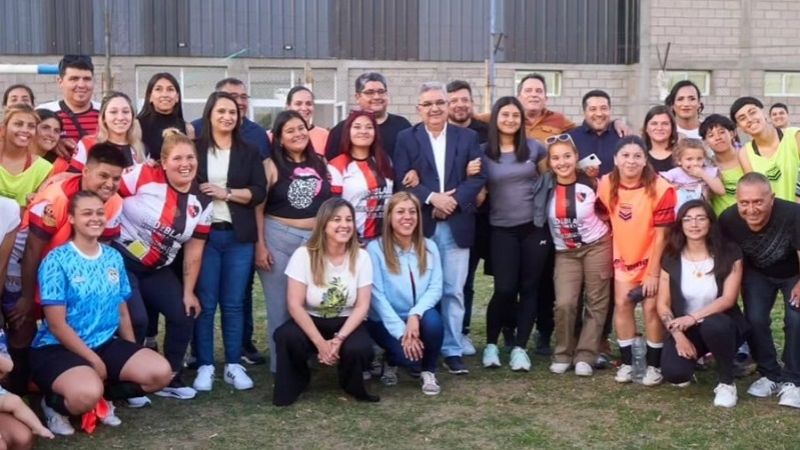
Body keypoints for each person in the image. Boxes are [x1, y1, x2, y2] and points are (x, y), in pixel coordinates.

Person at [31, 191, 172, 436]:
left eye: (99, 212)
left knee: (160, 374)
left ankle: (102, 397)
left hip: (104, 343)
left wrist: (131, 351)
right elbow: (56, 325)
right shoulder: (56, 260)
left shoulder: (112, 257)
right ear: (72, 219)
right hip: (58, 347)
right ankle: (54, 405)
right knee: (85, 393)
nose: (95, 218)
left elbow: (123, 312)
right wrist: (94, 360)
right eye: (87, 213)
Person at [6, 146, 131, 399]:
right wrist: (28, 297)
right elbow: (32, 249)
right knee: (23, 324)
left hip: (71, 269)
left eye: (116, 178)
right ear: (85, 171)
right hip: (27, 263)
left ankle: (77, 381)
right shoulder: (58, 196)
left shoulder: (115, 203)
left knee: (77, 321)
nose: (109, 184)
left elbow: (100, 254)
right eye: (103, 176)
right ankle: (17, 389)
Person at [393, 82, 486, 374]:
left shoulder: (468, 137)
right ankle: (420, 345)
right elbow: (401, 179)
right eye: (428, 104)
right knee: (419, 291)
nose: (434, 108)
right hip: (422, 225)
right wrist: (433, 198)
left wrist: (452, 201)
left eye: (439, 103)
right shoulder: (406, 138)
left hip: (457, 223)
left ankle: (452, 348)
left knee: (453, 290)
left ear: (447, 106)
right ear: (418, 109)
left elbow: (478, 178)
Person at [115, 129, 212, 400]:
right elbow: (105, 190)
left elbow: (194, 248)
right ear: (163, 161)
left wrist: (188, 290)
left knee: (184, 312)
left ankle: (171, 375)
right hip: (122, 261)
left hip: (157, 269)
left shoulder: (202, 200)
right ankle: (131, 381)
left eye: (190, 157)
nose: (185, 164)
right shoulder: (141, 175)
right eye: (178, 158)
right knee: (137, 319)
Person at [191, 77, 271, 367]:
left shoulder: (248, 150)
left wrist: (226, 194)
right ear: (209, 115)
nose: (227, 116)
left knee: (235, 304)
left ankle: (234, 364)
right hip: (205, 238)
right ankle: (205, 364)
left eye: (232, 112)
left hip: (239, 238)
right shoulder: (195, 148)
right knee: (207, 303)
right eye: (221, 111)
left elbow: (259, 192)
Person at [272, 198, 376, 406]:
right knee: (286, 336)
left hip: (346, 320)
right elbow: (294, 304)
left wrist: (338, 340)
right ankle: (296, 382)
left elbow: (362, 305)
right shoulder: (304, 255)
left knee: (361, 347)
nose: (344, 225)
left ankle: (350, 384)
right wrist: (320, 343)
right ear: (324, 224)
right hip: (312, 318)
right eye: (336, 219)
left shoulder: (362, 257)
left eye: (348, 219)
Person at [597, 136, 676, 385]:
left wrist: (653, 273)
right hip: (624, 258)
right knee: (622, 305)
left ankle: (654, 366)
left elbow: (663, 235)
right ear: (616, 160)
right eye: (626, 155)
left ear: (645, 160)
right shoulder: (606, 184)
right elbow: (604, 215)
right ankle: (629, 363)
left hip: (653, 258)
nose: (631, 160)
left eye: (637, 156)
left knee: (652, 308)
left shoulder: (661, 188)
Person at [257, 110, 331, 374]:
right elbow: (258, 207)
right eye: (290, 130)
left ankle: (308, 359)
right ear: (278, 138)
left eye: (301, 128)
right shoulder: (271, 165)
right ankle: (283, 369)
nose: (298, 134)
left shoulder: (321, 162)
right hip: (279, 237)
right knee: (281, 307)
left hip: (315, 242)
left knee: (313, 302)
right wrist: (260, 245)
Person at [718, 173, 800, 408]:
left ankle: (794, 380)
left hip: (794, 272)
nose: (751, 209)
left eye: (758, 202)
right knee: (754, 318)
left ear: (771, 198)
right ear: (737, 200)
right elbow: (727, 259)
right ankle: (770, 373)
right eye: (744, 202)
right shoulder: (728, 220)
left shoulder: (793, 214)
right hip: (757, 274)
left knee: (796, 317)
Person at [479, 96, 549, 372]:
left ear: (522, 120)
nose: (510, 120)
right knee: (504, 289)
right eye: (505, 115)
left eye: (515, 116)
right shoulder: (483, 152)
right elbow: (479, 188)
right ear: (496, 118)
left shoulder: (535, 149)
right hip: (501, 229)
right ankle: (491, 345)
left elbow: (550, 181)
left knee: (530, 288)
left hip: (533, 227)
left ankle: (520, 348)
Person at [657, 200, 746, 407]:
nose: (694, 224)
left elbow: (728, 299)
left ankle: (726, 382)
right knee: (675, 373)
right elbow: (662, 304)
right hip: (685, 328)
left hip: (722, 323)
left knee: (714, 325)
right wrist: (678, 335)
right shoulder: (671, 256)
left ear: (710, 223)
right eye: (687, 219)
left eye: (700, 218)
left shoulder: (729, 252)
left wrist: (693, 318)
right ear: (680, 225)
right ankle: (696, 357)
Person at [543, 134, 612, 377]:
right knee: (565, 303)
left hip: (597, 246)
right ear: (549, 162)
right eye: (556, 158)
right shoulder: (545, 186)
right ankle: (563, 352)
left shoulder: (591, 183)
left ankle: (586, 354)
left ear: (576, 158)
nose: (562, 162)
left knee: (596, 302)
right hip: (565, 252)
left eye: (567, 156)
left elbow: (607, 209)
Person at [366, 192, 443, 394]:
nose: (407, 217)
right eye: (400, 212)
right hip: (385, 320)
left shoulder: (430, 247)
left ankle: (429, 371)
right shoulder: (375, 249)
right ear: (389, 217)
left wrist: (415, 314)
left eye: (412, 212)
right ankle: (391, 358)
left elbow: (436, 288)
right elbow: (377, 297)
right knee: (406, 357)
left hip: (417, 316)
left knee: (434, 322)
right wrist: (403, 333)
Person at [447, 79, 489, 355]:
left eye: (465, 99)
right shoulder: (437, 131)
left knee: (467, 279)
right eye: (454, 101)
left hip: (482, 215)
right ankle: (442, 331)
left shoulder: (485, 131)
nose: (460, 105)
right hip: (445, 212)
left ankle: (461, 332)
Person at [328, 111, 394, 242]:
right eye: (357, 127)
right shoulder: (337, 165)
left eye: (369, 127)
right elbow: (333, 208)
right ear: (348, 132)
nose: (363, 131)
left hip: (385, 239)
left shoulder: (385, 161)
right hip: (354, 240)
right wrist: (352, 238)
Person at [325, 72, 412, 161]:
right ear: (357, 97)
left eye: (381, 92)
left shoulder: (402, 125)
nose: (377, 97)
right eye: (370, 92)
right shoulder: (342, 130)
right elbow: (332, 165)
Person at [54, 91, 145, 174]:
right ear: (103, 117)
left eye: (126, 111)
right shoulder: (88, 144)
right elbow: (73, 177)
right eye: (113, 112)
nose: (120, 117)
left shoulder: (139, 147)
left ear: (132, 116)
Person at [732, 96, 800, 202]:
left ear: (764, 113)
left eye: (752, 112)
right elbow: (755, 190)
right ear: (740, 127)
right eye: (742, 118)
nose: (749, 119)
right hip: (774, 216)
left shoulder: (795, 135)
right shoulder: (745, 153)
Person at [37, 55, 100, 159]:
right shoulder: (43, 112)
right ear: (60, 82)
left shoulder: (108, 113)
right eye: (74, 79)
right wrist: (50, 142)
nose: (81, 85)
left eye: (87, 79)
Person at [0, 104, 52, 207]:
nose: (25, 130)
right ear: (3, 128)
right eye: (18, 124)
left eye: (31, 126)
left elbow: (36, 213)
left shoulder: (43, 168)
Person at [137, 72, 194, 160]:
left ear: (177, 97)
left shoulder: (187, 129)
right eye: (158, 89)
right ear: (150, 97)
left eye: (170, 89)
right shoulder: (137, 125)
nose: (165, 95)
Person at [659, 138, 725, 210]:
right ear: (679, 160)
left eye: (699, 159)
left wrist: (703, 175)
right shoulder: (676, 173)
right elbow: (659, 187)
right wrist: (672, 187)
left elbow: (721, 191)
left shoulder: (708, 171)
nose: (695, 163)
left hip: (703, 211)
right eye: (689, 159)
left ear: (704, 159)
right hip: (680, 212)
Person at [568, 90, 621, 177]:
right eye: (593, 109)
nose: (599, 114)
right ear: (584, 112)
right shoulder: (571, 139)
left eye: (604, 108)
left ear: (610, 110)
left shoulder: (622, 136)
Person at [701, 114, 743, 217]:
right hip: (722, 226)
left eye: (722, 132)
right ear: (705, 142)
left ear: (732, 134)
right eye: (711, 135)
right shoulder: (707, 167)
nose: (718, 138)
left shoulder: (747, 157)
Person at [285, 86, 328, 155]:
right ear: (288, 106)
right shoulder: (273, 136)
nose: (304, 108)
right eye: (298, 104)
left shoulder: (324, 135)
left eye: (308, 104)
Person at [643, 105, 679, 173]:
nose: (659, 128)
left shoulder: (682, 155)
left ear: (672, 127)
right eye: (654, 124)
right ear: (646, 128)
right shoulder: (639, 156)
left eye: (665, 124)